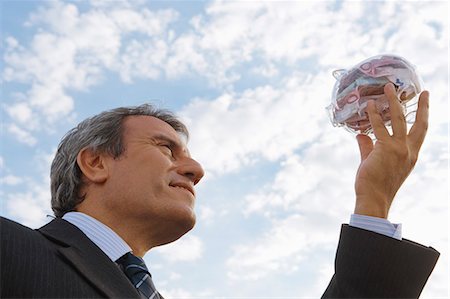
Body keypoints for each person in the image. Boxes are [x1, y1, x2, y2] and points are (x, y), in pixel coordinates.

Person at [1, 83, 439, 298]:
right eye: (165, 148)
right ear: (95, 163)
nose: (195, 169)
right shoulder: (11, 251)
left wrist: (374, 202)